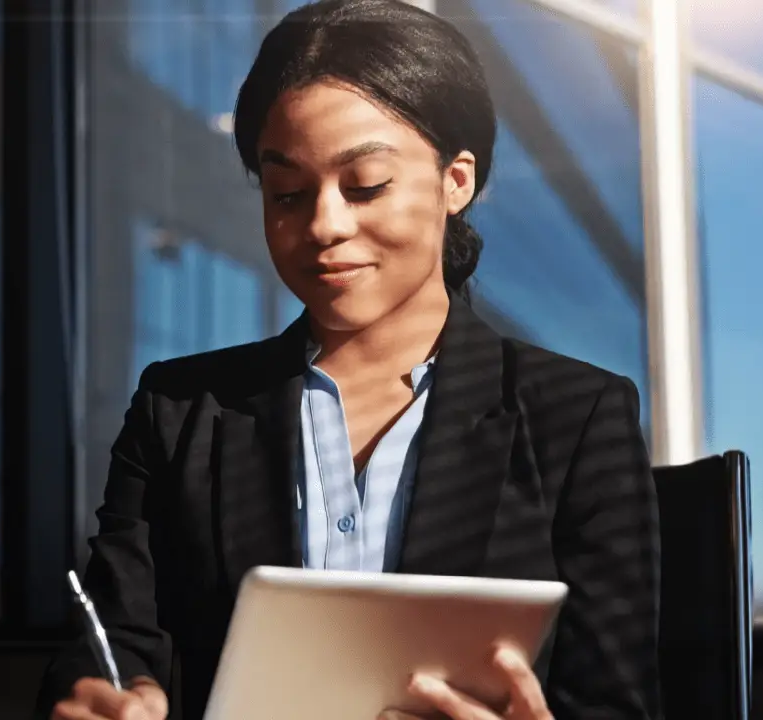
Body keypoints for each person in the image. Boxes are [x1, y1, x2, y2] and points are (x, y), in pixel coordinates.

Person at [37, 1, 660, 718]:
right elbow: (113, 638)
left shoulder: (577, 419)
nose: (324, 226)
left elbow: (618, 701)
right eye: (288, 194)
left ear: (457, 181)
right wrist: (103, 695)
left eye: (365, 185)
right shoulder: (181, 412)